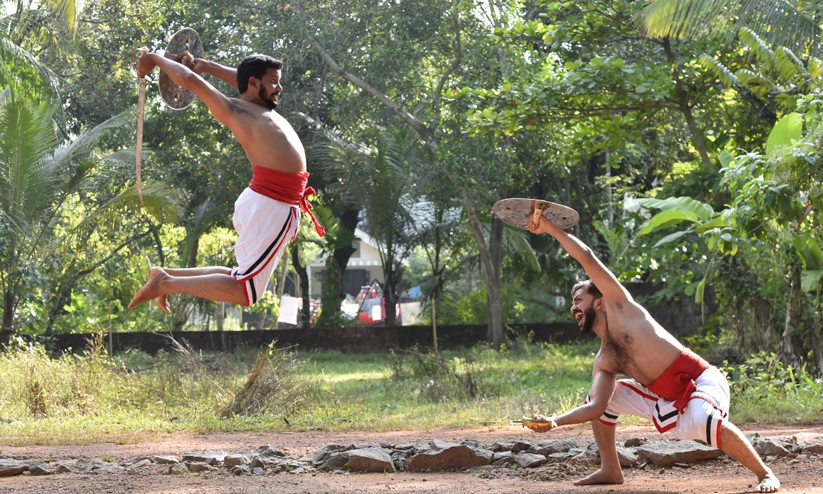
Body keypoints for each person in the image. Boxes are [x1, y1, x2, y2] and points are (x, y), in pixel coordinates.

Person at [525, 205, 780, 493]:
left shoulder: (624, 308)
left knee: (706, 421)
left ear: (599, 302)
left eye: (578, 300)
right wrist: (554, 422)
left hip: (700, 383)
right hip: (662, 397)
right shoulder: (603, 359)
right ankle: (610, 469)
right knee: (604, 399)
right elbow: (595, 407)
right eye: (572, 303)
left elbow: (587, 257)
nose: (573, 307)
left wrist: (549, 228)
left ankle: (765, 474)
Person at [128, 53, 324, 312]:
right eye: (274, 82)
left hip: (269, 204)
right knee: (246, 291)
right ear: (256, 83)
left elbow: (244, 81)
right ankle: (165, 283)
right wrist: (153, 58)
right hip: (271, 206)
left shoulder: (261, 107)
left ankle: (164, 275)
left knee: (241, 277)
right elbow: (188, 80)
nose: (279, 88)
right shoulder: (235, 111)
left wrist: (207, 66)